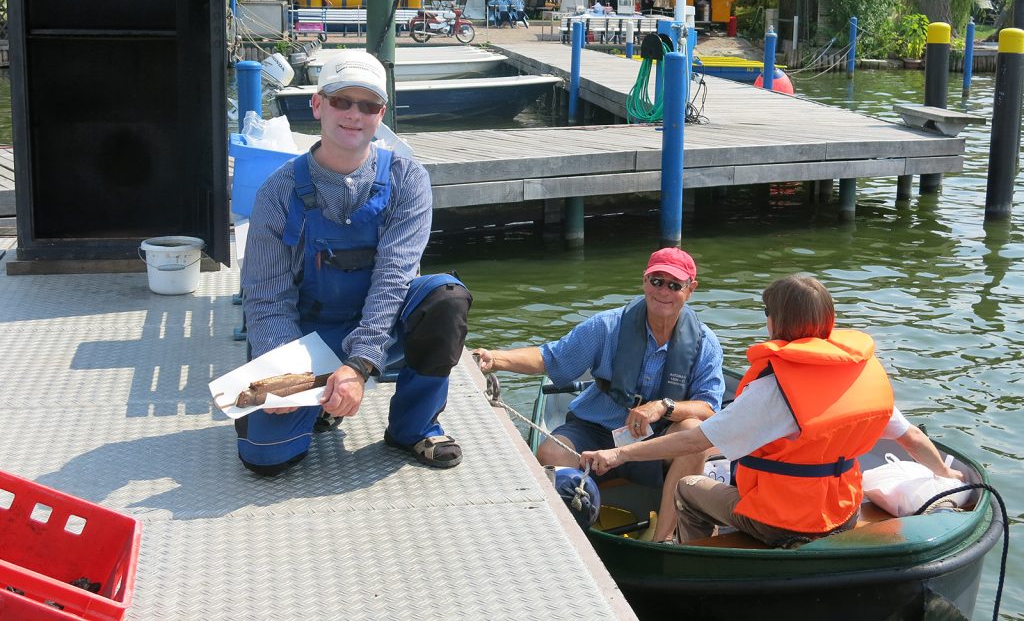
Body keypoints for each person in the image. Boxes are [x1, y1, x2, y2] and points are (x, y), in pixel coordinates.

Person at [582, 274, 963, 547]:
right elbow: (911, 437)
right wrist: (944, 474)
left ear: (776, 320)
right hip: (843, 511)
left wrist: (618, 453)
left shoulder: (772, 389)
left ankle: (700, 559)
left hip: (780, 523)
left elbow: (693, 441)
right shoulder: (856, 372)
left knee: (687, 487)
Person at [237, 50, 472, 476]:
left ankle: (414, 426)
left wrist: (358, 366)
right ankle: (321, 405)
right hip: (307, 334)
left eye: (367, 105)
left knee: (445, 298)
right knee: (266, 460)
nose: (353, 114)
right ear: (317, 105)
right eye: (342, 101)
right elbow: (267, 299)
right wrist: (283, 377)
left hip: (381, 327)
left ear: (380, 114)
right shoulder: (277, 193)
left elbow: (394, 281)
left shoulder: (408, 179)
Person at [474, 248, 725, 542]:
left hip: (656, 442)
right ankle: (570, 536)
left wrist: (663, 407)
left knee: (695, 433)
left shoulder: (705, 342)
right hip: (594, 431)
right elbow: (550, 358)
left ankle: (663, 541)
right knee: (551, 453)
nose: (664, 292)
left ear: (690, 290)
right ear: (645, 281)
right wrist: (496, 359)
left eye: (674, 285)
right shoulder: (606, 326)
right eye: (657, 281)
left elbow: (710, 408)